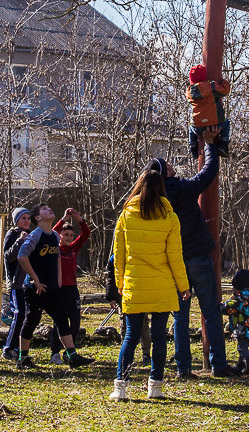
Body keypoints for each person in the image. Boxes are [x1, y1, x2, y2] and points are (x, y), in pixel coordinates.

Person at [152, 129, 236, 379]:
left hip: (175, 261)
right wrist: (209, 146)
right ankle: (219, 365)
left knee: (180, 315)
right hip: (198, 256)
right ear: (164, 172)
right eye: (167, 163)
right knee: (210, 310)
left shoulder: (157, 198)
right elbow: (207, 174)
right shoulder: (180, 188)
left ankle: (183, 368)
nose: (170, 163)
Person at [109, 168, 190, 401]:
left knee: (131, 336)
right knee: (159, 337)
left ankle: (120, 387)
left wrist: (120, 283)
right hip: (162, 286)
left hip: (134, 285)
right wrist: (183, 286)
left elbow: (119, 254)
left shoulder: (126, 215)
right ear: (161, 189)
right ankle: (155, 387)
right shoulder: (170, 217)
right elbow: (175, 256)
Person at [15, 203, 93, 369]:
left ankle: (72, 357)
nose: (49, 209)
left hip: (52, 289)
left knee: (62, 320)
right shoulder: (36, 235)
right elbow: (22, 257)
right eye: (44, 209)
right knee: (31, 321)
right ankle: (22, 359)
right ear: (38, 217)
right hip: (35, 288)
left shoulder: (54, 237)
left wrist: (58, 281)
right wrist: (34, 278)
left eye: (50, 207)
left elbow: (57, 258)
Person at [49, 208, 91, 362]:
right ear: (60, 236)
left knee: (75, 321)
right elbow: (53, 231)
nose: (69, 237)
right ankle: (55, 353)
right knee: (59, 322)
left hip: (72, 289)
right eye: (66, 234)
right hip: (59, 289)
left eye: (71, 235)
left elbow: (85, 234)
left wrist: (80, 219)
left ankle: (69, 352)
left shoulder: (73, 247)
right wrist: (64, 219)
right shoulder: (55, 248)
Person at [2, 207, 32, 361]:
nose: (27, 221)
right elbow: (8, 256)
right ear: (16, 220)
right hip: (16, 283)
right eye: (23, 218)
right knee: (18, 314)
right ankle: (8, 348)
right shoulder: (12, 234)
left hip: (28, 283)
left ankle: (20, 348)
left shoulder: (31, 234)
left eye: (28, 218)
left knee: (27, 316)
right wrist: (20, 240)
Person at [186, 64, 230, 158]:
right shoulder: (212, 88)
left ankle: (193, 146)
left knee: (191, 128)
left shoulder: (189, 92)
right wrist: (224, 82)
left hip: (198, 127)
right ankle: (223, 143)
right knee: (227, 123)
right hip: (215, 124)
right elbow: (226, 90)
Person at [223, 269, 249, 375]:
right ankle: (241, 365)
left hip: (243, 328)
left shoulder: (239, 298)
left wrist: (219, 306)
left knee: (241, 348)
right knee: (243, 347)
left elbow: (228, 307)